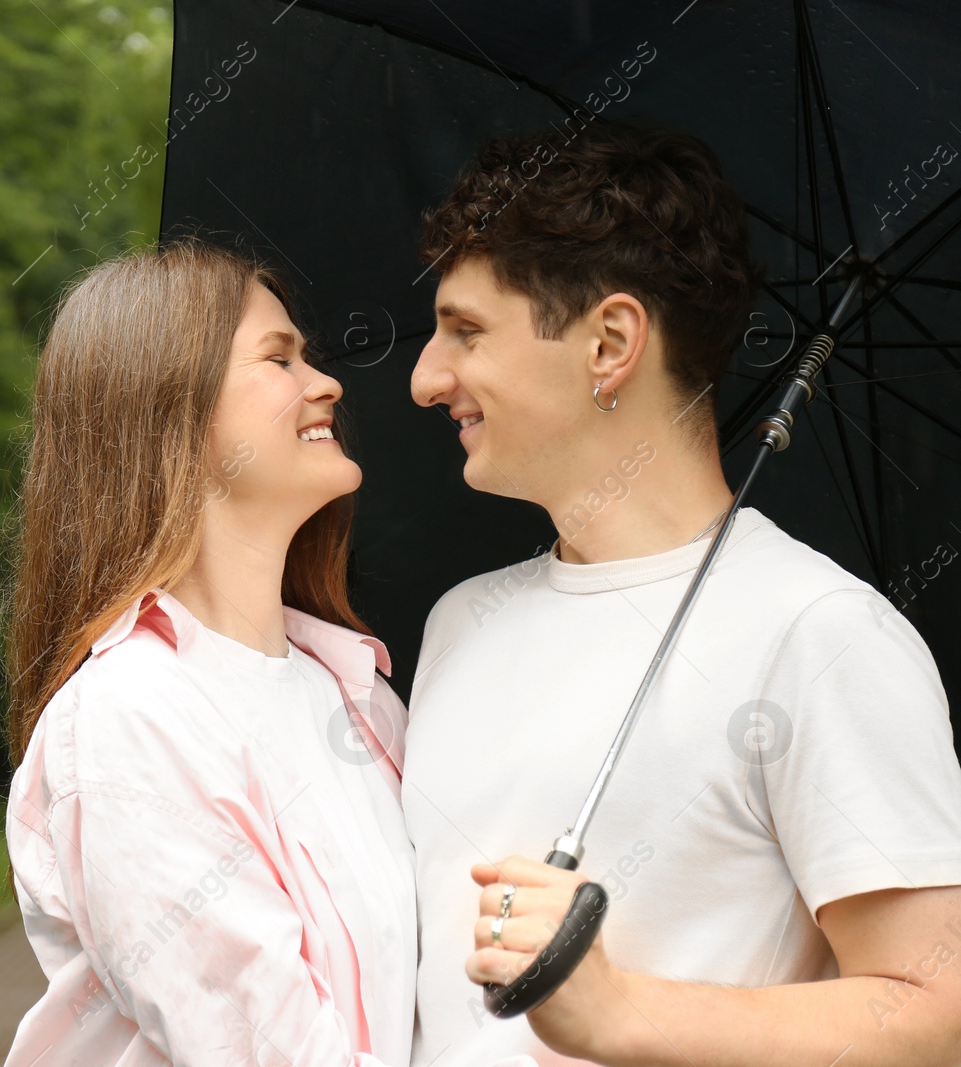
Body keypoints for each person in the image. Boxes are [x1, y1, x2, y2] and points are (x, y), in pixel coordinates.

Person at [404, 123, 961, 1067]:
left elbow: (939, 1010)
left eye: (465, 331)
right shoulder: (459, 621)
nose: (424, 378)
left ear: (611, 341)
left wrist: (620, 1012)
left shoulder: (821, 632)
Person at [0, 239, 422, 1067]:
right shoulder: (133, 717)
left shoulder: (356, 695)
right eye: (280, 357)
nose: (326, 382)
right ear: (171, 410)